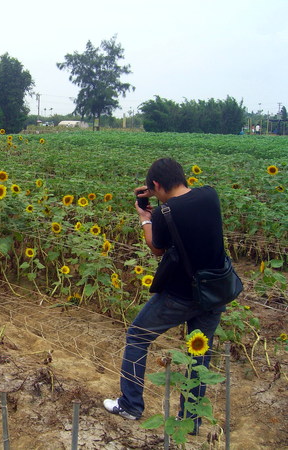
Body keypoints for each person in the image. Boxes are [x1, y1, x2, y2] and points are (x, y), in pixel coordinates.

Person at [104, 158, 226, 433]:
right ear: (182, 176)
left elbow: (156, 248)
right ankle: (190, 420)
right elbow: (184, 199)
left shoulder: (163, 214)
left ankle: (131, 405)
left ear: (156, 185)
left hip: (181, 295)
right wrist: (157, 193)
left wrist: (146, 219)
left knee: (137, 336)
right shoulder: (210, 195)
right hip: (215, 291)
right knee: (199, 352)